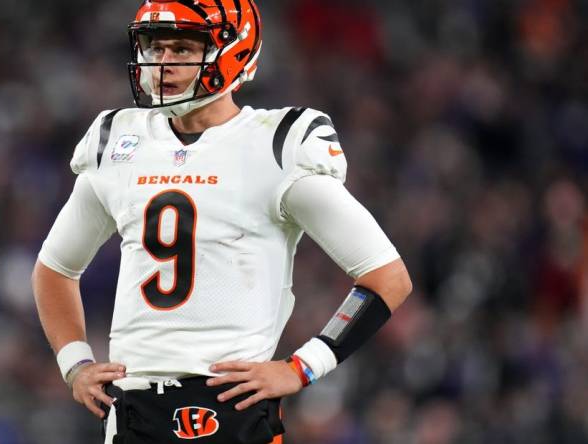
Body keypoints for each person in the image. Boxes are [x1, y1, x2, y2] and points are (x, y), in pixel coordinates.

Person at [32, 1, 412, 443]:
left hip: (231, 407)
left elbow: (387, 277)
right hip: (132, 406)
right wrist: (75, 363)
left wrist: (303, 367)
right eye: (156, 49)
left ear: (231, 51)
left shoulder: (276, 147)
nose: (162, 63)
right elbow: (55, 268)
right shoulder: (120, 142)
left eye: (181, 49)